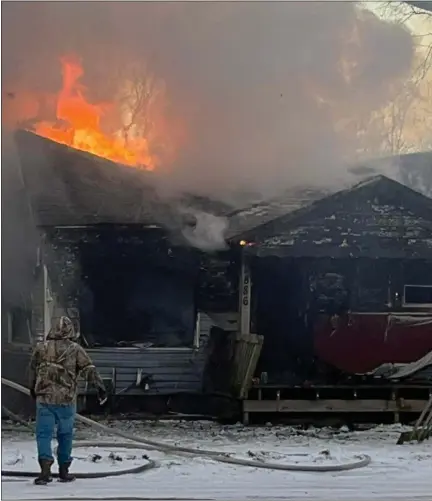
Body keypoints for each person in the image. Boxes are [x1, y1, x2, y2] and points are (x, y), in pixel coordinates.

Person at [29, 316, 107, 485]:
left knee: (44, 435)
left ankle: (45, 471)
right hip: (66, 400)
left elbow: (33, 370)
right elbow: (88, 369)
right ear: (71, 331)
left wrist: (32, 388)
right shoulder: (75, 349)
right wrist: (100, 387)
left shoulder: (41, 348)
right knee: (65, 435)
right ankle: (64, 471)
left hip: (45, 399)